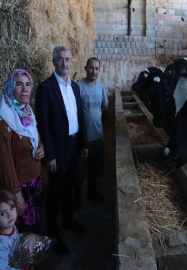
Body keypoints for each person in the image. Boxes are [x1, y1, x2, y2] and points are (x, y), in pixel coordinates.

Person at [35, 45, 88, 255]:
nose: (64, 63)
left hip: (73, 144)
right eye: (60, 59)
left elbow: (79, 117)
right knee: (56, 189)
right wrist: (49, 154)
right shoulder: (46, 88)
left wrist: (83, 143)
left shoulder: (74, 87)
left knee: (70, 184)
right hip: (57, 148)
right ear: (54, 62)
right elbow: (43, 123)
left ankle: (67, 221)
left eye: (67, 59)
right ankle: (52, 232)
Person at [0, 69, 44, 234]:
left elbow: (34, 137)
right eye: (19, 84)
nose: (25, 89)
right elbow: (4, 163)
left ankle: (34, 258)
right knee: (22, 231)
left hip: (35, 182)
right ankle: (24, 260)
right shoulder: (2, 120)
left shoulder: (27, 112)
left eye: (28, 85)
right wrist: (16, 194)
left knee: (36, 226)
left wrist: (41, 146)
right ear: (10, 88)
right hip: (19, 187)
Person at [74, 57, 108, 210]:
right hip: (83, 138)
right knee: (80, 170)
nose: (94, 71)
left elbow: (105, 107)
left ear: (99, 70)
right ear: (85, 68)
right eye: (91, 68)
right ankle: (76, 199)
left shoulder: (100, 87)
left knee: (94, 168)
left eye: (96, 69)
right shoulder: (78, 87)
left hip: (98, 136)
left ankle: (92, 193)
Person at [0, 190, 29, 270]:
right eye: (3, 213)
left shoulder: (10, 227)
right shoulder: (0, 245)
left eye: (11, 208)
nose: (10, 215)